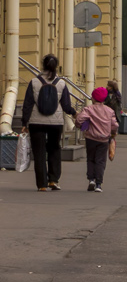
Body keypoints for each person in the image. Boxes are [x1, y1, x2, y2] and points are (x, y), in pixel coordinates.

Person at [20, 54, 76, 190]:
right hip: (56, 123)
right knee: (54, 149)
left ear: (43, 66)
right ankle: (53, 180)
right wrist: (74, 113)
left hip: (36, 122)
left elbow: (27, 104)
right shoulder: (61, 83)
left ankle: (41, 185)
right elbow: (66, 105)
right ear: (56, 66)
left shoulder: (34, 82)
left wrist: (24, 123)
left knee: (39, 152)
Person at [77, 86, 119, 192]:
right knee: (100, 161)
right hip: (104, 139)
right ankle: (98, 184)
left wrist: (80, 125)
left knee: (90, 159)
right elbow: (114, 125)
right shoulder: (109, 111)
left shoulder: (89, 109)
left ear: (93, 98)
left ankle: (91, 179)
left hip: (91, 137)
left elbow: (79, 119)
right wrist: (113, 133)